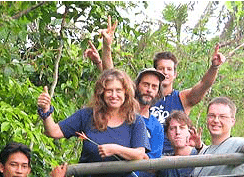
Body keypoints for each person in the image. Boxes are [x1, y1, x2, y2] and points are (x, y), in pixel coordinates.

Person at [90, 17, 226, 153]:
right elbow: (113, 77)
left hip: (173, 157)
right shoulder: (141, 94)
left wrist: (214, 67)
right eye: (161, 69)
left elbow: (204, 85)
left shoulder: (183, 98)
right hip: (140, 154)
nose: (165, 73)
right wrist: (107, 48)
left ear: (175, 74)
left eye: (169, 69)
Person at [132, 68, 166, 177]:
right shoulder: (120, 115)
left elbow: (152, 164)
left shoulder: (156, 127)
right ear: (136, 86)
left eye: (154, 86)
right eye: (145, 85)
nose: (149, 90)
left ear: (158, 92)